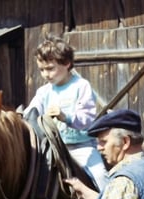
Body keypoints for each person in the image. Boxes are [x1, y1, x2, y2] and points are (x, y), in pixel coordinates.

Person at [25, 34, 108, 190]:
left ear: (67, 64)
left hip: (81, 147)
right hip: (53, 147)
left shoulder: (81, 86)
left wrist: (65, 117)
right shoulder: (44, 91)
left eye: (50, 69)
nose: (45, 74)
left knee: (100, 175)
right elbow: (32, 112)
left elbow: (87, 119)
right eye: (42, 70)